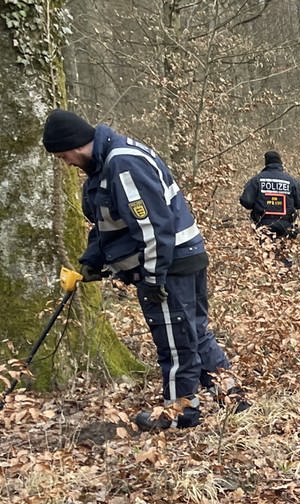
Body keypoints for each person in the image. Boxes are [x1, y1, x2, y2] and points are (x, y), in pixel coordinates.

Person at [43, 109, 251, 431]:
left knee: (173, 338)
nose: (65, 162)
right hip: (184, 256)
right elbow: (109, 224)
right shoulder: (106, 163)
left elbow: (153, 227)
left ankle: (179, 412)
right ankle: (231, 394)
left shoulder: (121, 163)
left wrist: (153, 278)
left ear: (73, 144)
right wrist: (92, 259)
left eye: (62, 155)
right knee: (193, 329)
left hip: (169, 264)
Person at [239, 149, 300, 268]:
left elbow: (246, 201)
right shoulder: (291, 181)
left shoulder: (257, 180)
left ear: (266, 163)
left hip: (263, 226)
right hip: (286, 226)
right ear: (280, 163)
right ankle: (285, 279)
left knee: (267, 259)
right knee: (285, 258)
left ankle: (269, 281)